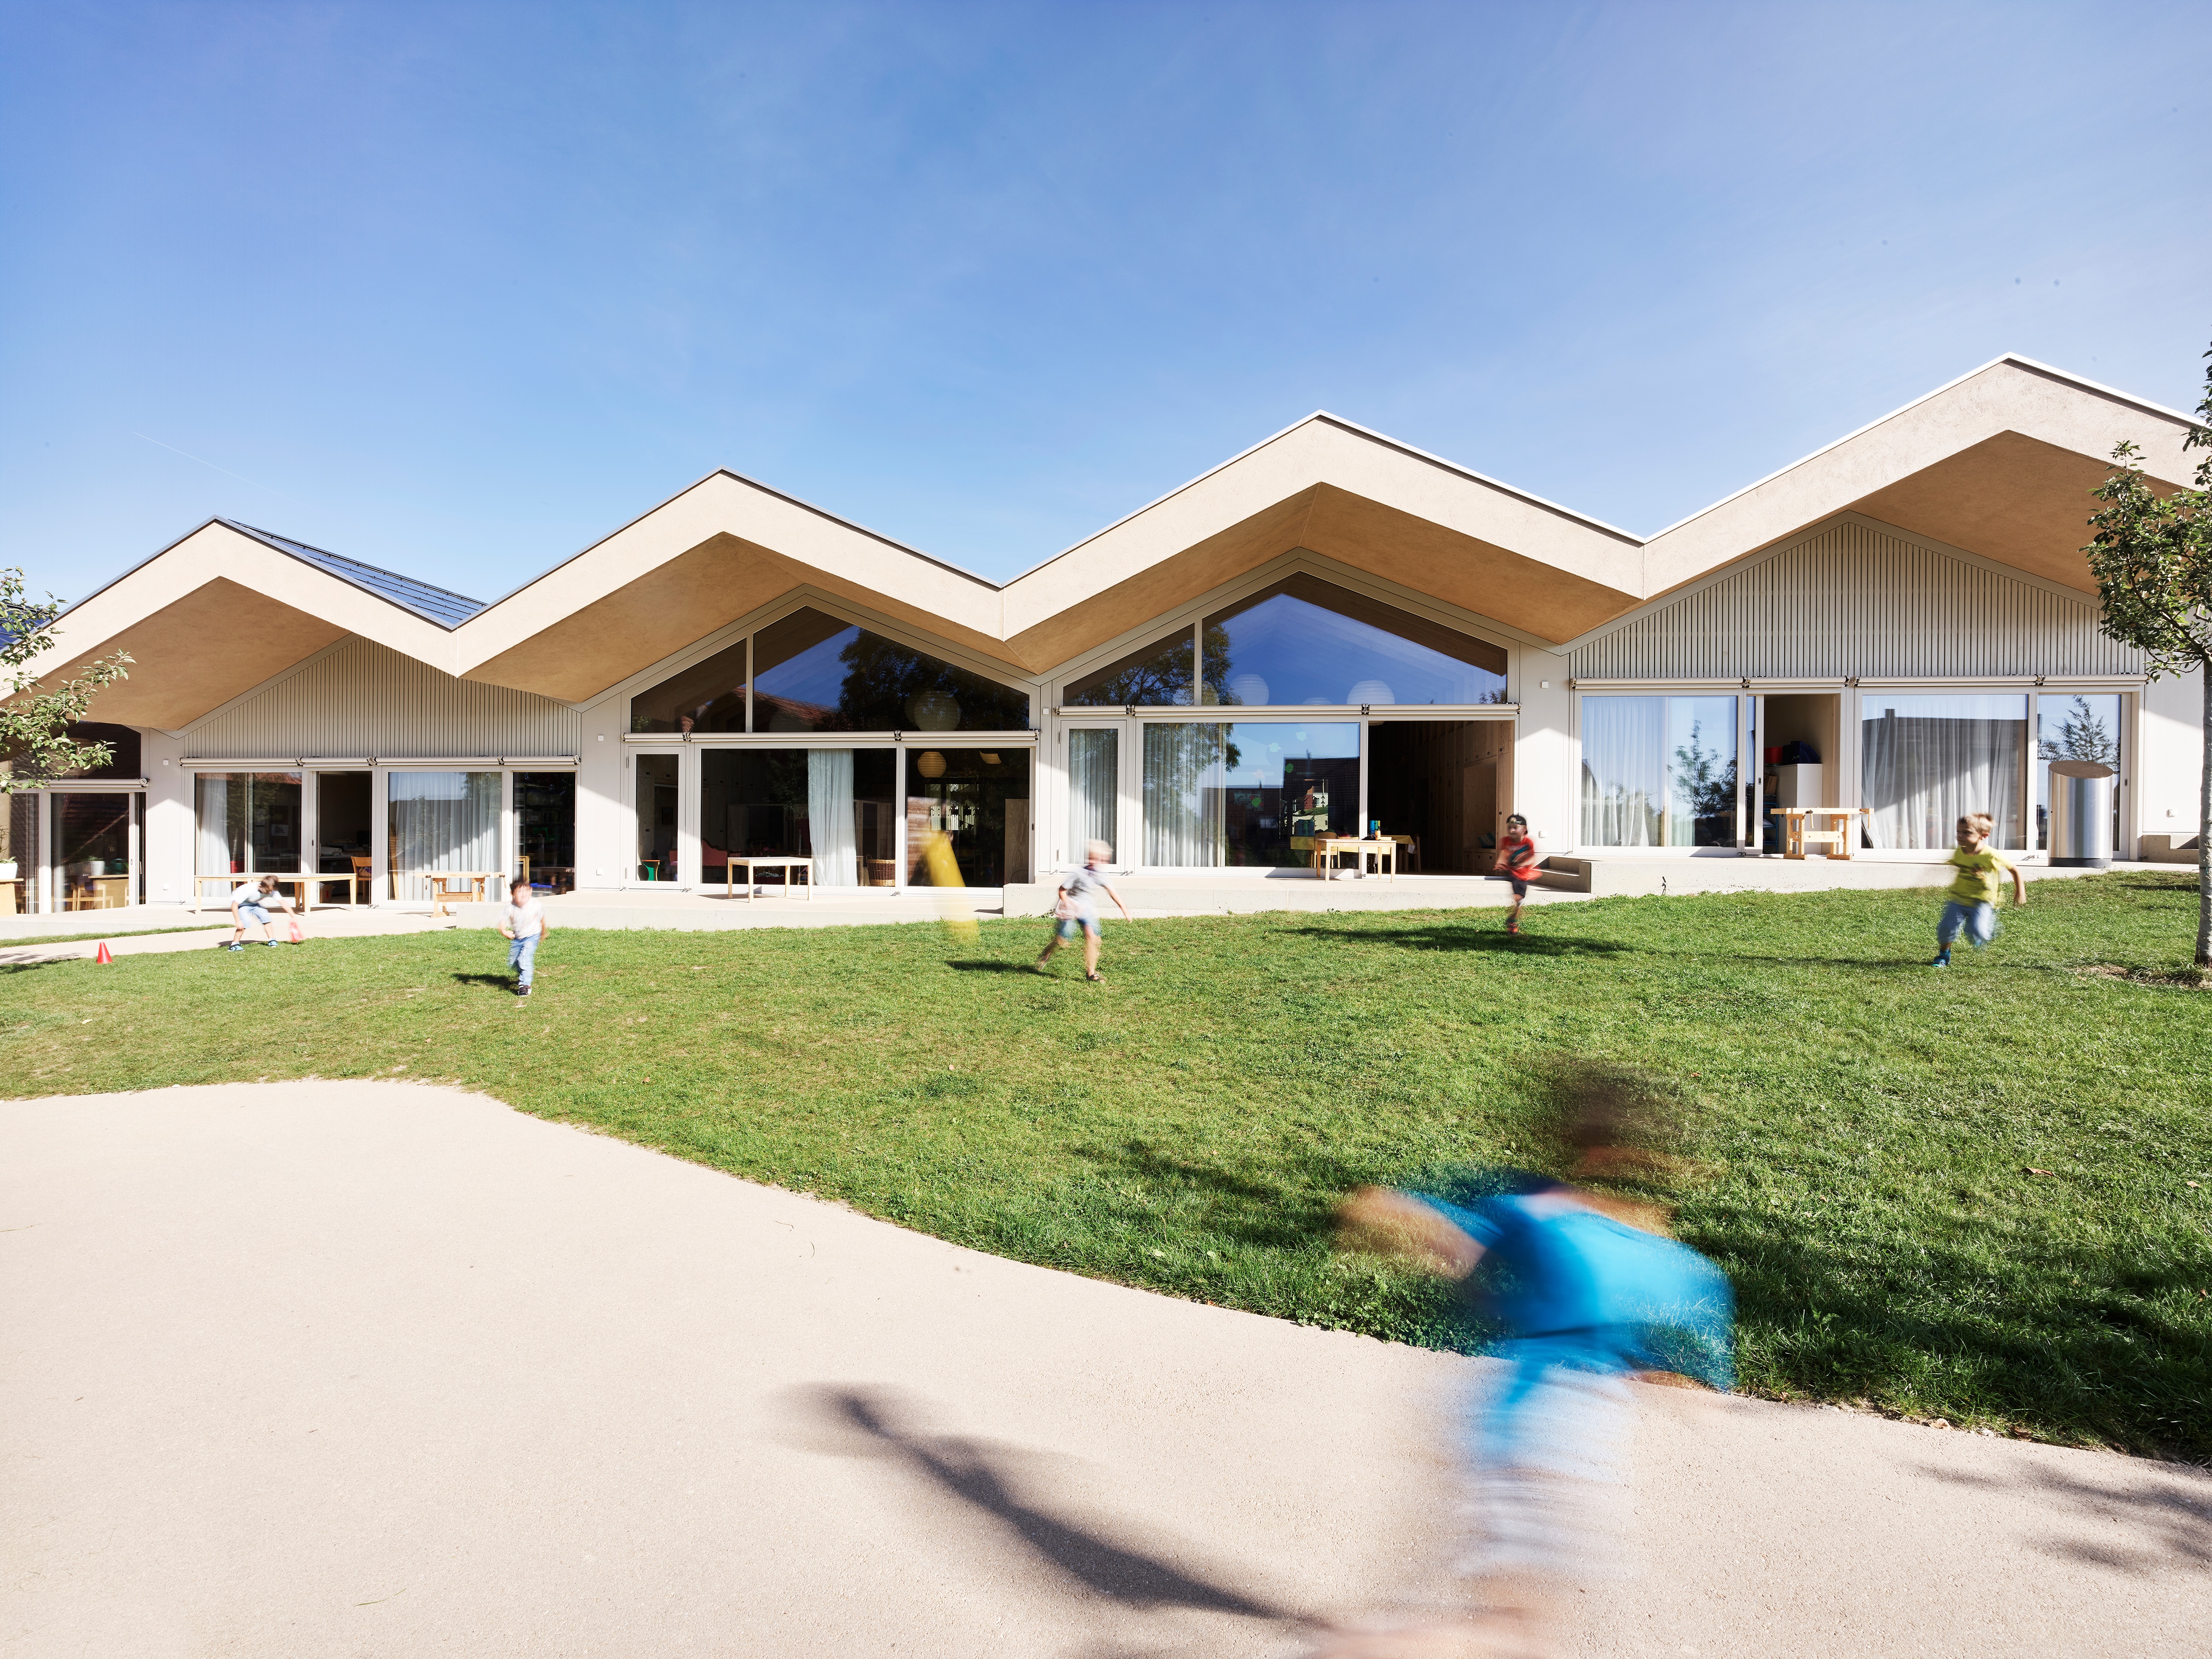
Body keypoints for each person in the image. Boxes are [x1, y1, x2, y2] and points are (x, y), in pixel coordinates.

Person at [1314, 1076, 1734, 1659]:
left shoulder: (1529, 1211)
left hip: (1504, 1411)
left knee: (1515, 1626)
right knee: (1507, 1630)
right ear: (1630, 1157)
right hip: (1560, 1437)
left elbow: (1415, 1221)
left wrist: (1411, 1231)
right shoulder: (1663, 1255)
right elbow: (1680, 1361)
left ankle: (1362, 1643)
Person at [1932, 812, 2025, 967]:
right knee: (1946, 929)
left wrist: (2020, 891)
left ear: (1984, 836)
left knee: (1978, 932)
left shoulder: (1991, 855)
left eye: (1966, 833)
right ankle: (1943, 956)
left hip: (1982, 900)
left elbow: (2014, 869)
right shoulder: (1958, 852)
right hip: (1959, 898)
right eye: (1958, 832)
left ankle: (1988, 929)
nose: (1960, 836)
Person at [1034, 839, 1131, 983]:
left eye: (1100, 859)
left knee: (1093, 938)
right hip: (1070, 907)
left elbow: (1112, 892)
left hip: (1085, 910)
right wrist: (1069, 904)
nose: (1095, 861)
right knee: (1062, 939)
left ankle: (1091, 974)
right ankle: (1046, 955)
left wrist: (1124, 909)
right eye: (1093, 858)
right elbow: (1062, 890)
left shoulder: (1101, 875)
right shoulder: (1079, 873)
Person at [499, 876, 550, 997]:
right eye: (520, 892)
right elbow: (502, 922)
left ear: (531, 891)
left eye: (526, 891)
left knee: (524, 959)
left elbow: (541, 919)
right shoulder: (510, 907)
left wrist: (544, 932)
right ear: (512, 894)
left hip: (532, 936)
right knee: (514, 962)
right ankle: (524, 974)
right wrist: (504, 932)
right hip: (518, 938)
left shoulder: (535, 905)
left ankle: (525, 985)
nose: (524, 895)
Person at [1496, 814, 1540, 935]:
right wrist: (1501, 862)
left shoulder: (1528, 842)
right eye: (1509, 827)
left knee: (1520, 900)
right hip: (1514, 873)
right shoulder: (1505, 841)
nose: (1512, 830)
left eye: (1515, 827)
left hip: (1524, 874)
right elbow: (1504, 853)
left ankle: (1512, 919)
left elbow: (1532, 859)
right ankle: (1512, 924)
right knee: (1519, 898)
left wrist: (1522, 863)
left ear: (1524, 829)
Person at [222, 875, 286, 950]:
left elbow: (284, 903)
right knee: (244, 923)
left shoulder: (270, 889)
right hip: (241, 904)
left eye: (271, 891)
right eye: (267, 891)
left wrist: (294, 917)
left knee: (266, 917)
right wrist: (238, 921)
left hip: (253, 903)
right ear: (260, 886)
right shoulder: (250, 891)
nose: (269, 893)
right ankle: (234, 945)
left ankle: (272, 940)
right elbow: (235, 905)